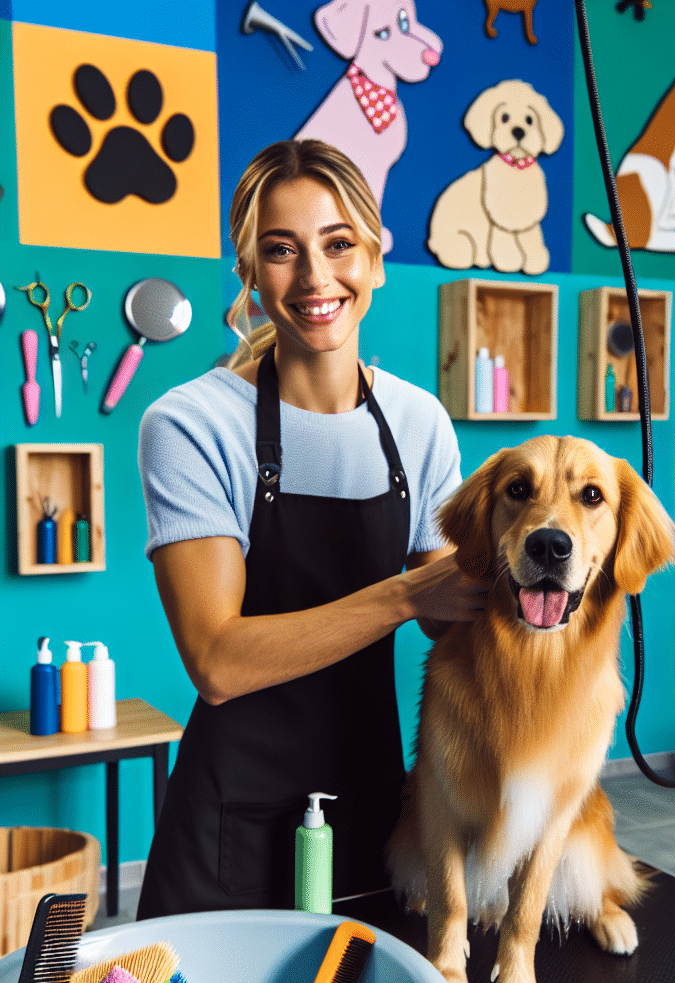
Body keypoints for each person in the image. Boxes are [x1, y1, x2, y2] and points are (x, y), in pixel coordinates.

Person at [135, 139, 485, 919]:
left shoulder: (418, 422)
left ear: (376, 258)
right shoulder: (193, 424)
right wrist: (399, 595)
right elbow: (217, 660)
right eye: (282, 251)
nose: (316, 278)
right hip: (231, 818)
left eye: (338, 245)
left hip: (371, 804)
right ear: (251, 273)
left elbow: (448, 613)